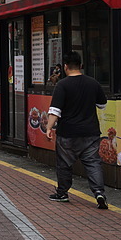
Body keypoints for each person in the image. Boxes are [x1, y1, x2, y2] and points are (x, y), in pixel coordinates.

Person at [44, 51, 108, 209]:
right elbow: (102, 104)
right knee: (93, 163)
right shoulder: (93, 83)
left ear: (65, 67)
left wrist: (49, 128)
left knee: (64, 164)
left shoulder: (63, 85)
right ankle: (99, 193)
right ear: (81, 66)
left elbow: (55, 111)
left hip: (68, 133)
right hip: (91, 132)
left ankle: (62, 193)